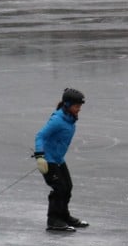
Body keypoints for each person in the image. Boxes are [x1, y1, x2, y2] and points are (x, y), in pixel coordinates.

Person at [33, 87, 88, 231]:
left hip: (58, 159)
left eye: (80, 106)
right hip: (48, 160)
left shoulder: (69, 119)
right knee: (59, 188)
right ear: (68, 105)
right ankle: (53, 220)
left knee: (67, 187)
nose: (79, 109)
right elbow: (40, 136)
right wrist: (40, 157)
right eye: (77, 106)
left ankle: (63, 216)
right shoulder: (57, 120)